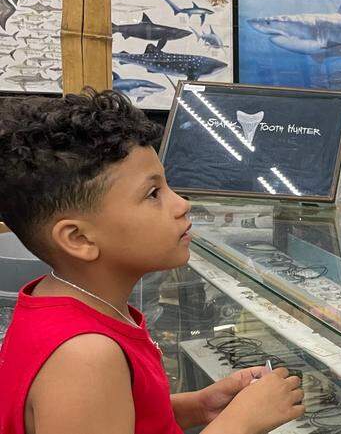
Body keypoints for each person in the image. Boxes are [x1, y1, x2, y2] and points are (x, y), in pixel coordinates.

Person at [0, 90, 305, 434]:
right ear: (79, 239)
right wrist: (240, 424)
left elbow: (120, 413)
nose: (182, 204)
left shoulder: (69, 305)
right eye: (153, 194)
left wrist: (196, 407)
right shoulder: (83, 356)